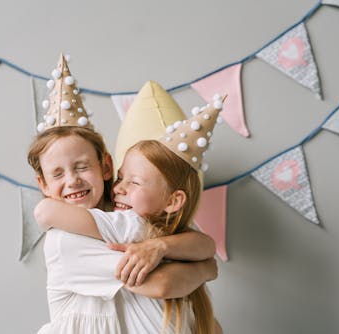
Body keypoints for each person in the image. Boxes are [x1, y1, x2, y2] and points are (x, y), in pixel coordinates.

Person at [28, 55, 219, 333]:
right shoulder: (66, 240)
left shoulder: (127, 216)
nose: (72, 181)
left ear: (106, 166)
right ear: (43, 185)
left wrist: (162, 246)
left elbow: (202, 243)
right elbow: (163, 284)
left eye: (82, 166)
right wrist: (206, 270)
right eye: (57, 174)